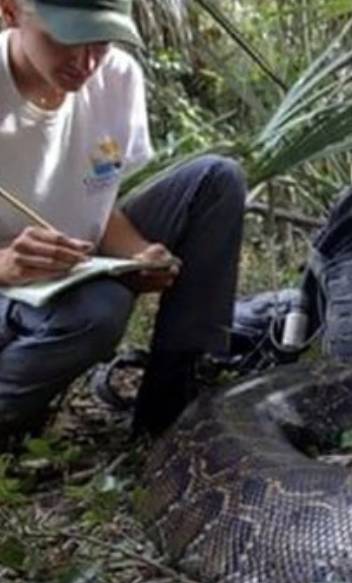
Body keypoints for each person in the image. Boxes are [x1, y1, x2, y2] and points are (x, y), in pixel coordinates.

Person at [0, 0, 246, 444]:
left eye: (100, 40)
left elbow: (97, 201)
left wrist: (138, 254)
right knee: (101, 308)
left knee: (216, 180)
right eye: (66, 36)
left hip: (76, 263)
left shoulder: (115, 76)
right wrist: (5, 266)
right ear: (11, 11)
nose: (84, 61)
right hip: (11, 287)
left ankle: (172, 407)